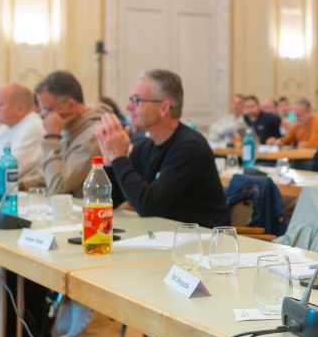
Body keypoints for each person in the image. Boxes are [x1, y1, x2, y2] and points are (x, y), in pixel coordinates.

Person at [94, 69, 229, 226]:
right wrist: (110, 160)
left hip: (202, 238)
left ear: (164, 107)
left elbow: (149, 206)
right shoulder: (144, 147)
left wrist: (119, 157)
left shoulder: (190, 147)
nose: (129, 107)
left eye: (137, 100)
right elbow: (110, 199)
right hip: (165, 234)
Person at [31, 71, 104, 196]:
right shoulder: (69, 129)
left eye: (48, 110)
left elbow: (57, 188)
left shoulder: (94, 135)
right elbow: (50, 174)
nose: (44, 117)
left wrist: (52, 137)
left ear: (71, 104)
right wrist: (20, 184)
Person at [0, 83, 45, 185]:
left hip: (21, 192)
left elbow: (6, 173)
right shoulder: (6, 126)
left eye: (0, 104)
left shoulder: (33, 126)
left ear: (19, 109)